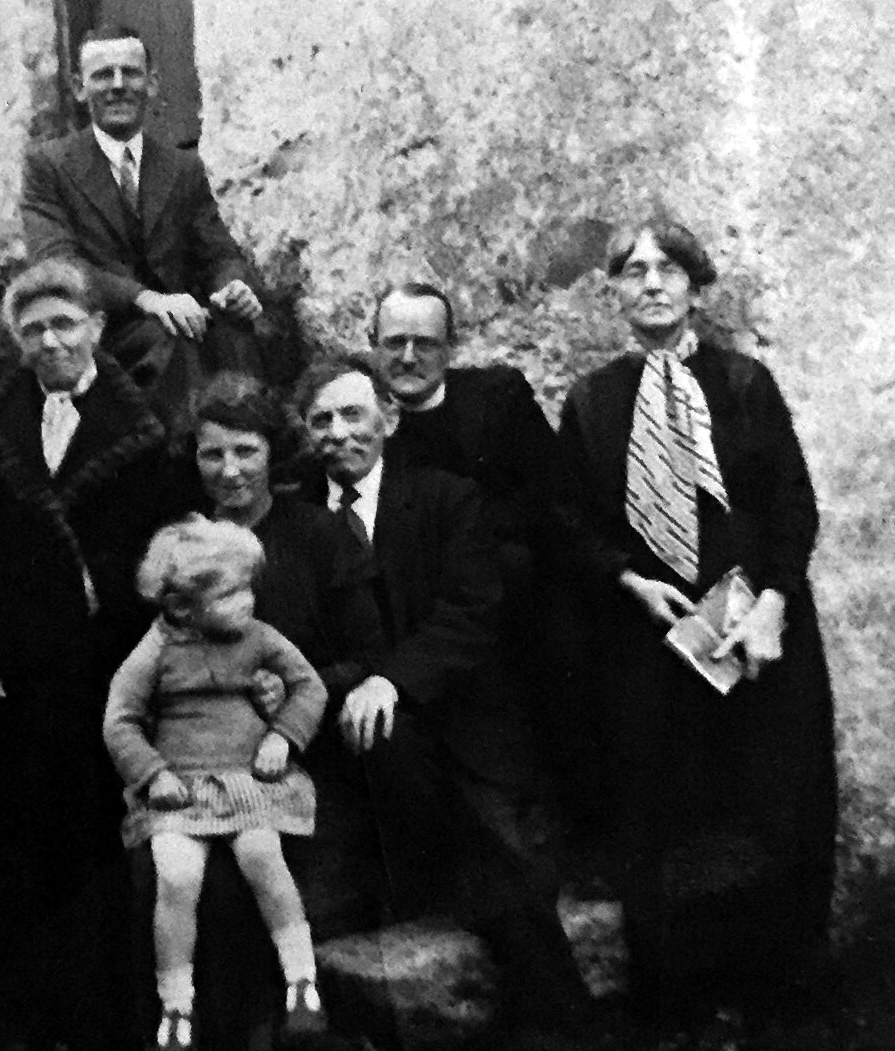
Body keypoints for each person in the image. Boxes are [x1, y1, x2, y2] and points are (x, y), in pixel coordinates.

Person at [556, 220, 838, 1034]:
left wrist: (774, 604)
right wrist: (628, 579)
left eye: (669, 268)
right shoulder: (593, 401)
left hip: (758, 633)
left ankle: (778, 1004)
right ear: (614, 292)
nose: (652, 283)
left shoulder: (745, 383)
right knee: (665, 822)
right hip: (653, 639)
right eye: (633, 271)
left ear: (696, 287)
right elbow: (569, 520)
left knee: (773, 809)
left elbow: (793, 504)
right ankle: (678, 1007)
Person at [292, 354, 598, 1047]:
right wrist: (355, 683)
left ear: (388, 418)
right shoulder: (299, 516)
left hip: (461, 719)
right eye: (321, 420)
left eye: (353, 414)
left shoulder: (445, 498)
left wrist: (393, 680)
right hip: (358, 733)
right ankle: (563, 1022)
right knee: (445, 808)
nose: (339, 433)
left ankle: (559, 1023)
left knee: (491, 846)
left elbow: (469, 610)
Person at [0, 257, 173, 1047]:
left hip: (107, 665)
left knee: (100, 832)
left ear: (96, 328)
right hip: (22, 670)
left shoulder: (141, 432)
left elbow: (157, 547)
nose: (51, 342)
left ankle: (110, 1009)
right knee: (23, 830)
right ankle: (35, 1008)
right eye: (34, 329)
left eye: (65, 324)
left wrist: (97, 581)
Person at [368, 282, 605, 842]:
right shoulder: (360, 420)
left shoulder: (497, 399)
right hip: (426, 615)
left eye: (425, 343)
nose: (408, 357)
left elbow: (551, 498)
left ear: (451, 347)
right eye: (395, 342)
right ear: (372, 344)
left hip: (517, 605)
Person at [105, 515, 331, 1051]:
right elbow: (120, 720)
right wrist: (153, 774)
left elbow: (310, 687)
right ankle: (175, 1006)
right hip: (181, 788)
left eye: (248, 588)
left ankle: (302, 981)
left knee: (261, 855)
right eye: (230, 594)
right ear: (183, 606)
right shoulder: (156, 650)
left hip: (248, 778)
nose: (247, 601)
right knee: (176, 876)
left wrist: (283, 737)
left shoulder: (259, 637)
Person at [20, 23, 263, 424]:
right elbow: (58, 266)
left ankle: (250, 442)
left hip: (178, 320)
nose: (118, 86)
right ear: (79, 88)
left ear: (151, 84)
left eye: (130, 73)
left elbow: (219, 252)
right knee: (171, 342)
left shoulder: (182, 167)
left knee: (237, 332)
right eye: (103, 75)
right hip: (99, 329)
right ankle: (181, 453)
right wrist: (146, 299)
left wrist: (232, 286)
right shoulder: (49, 166)